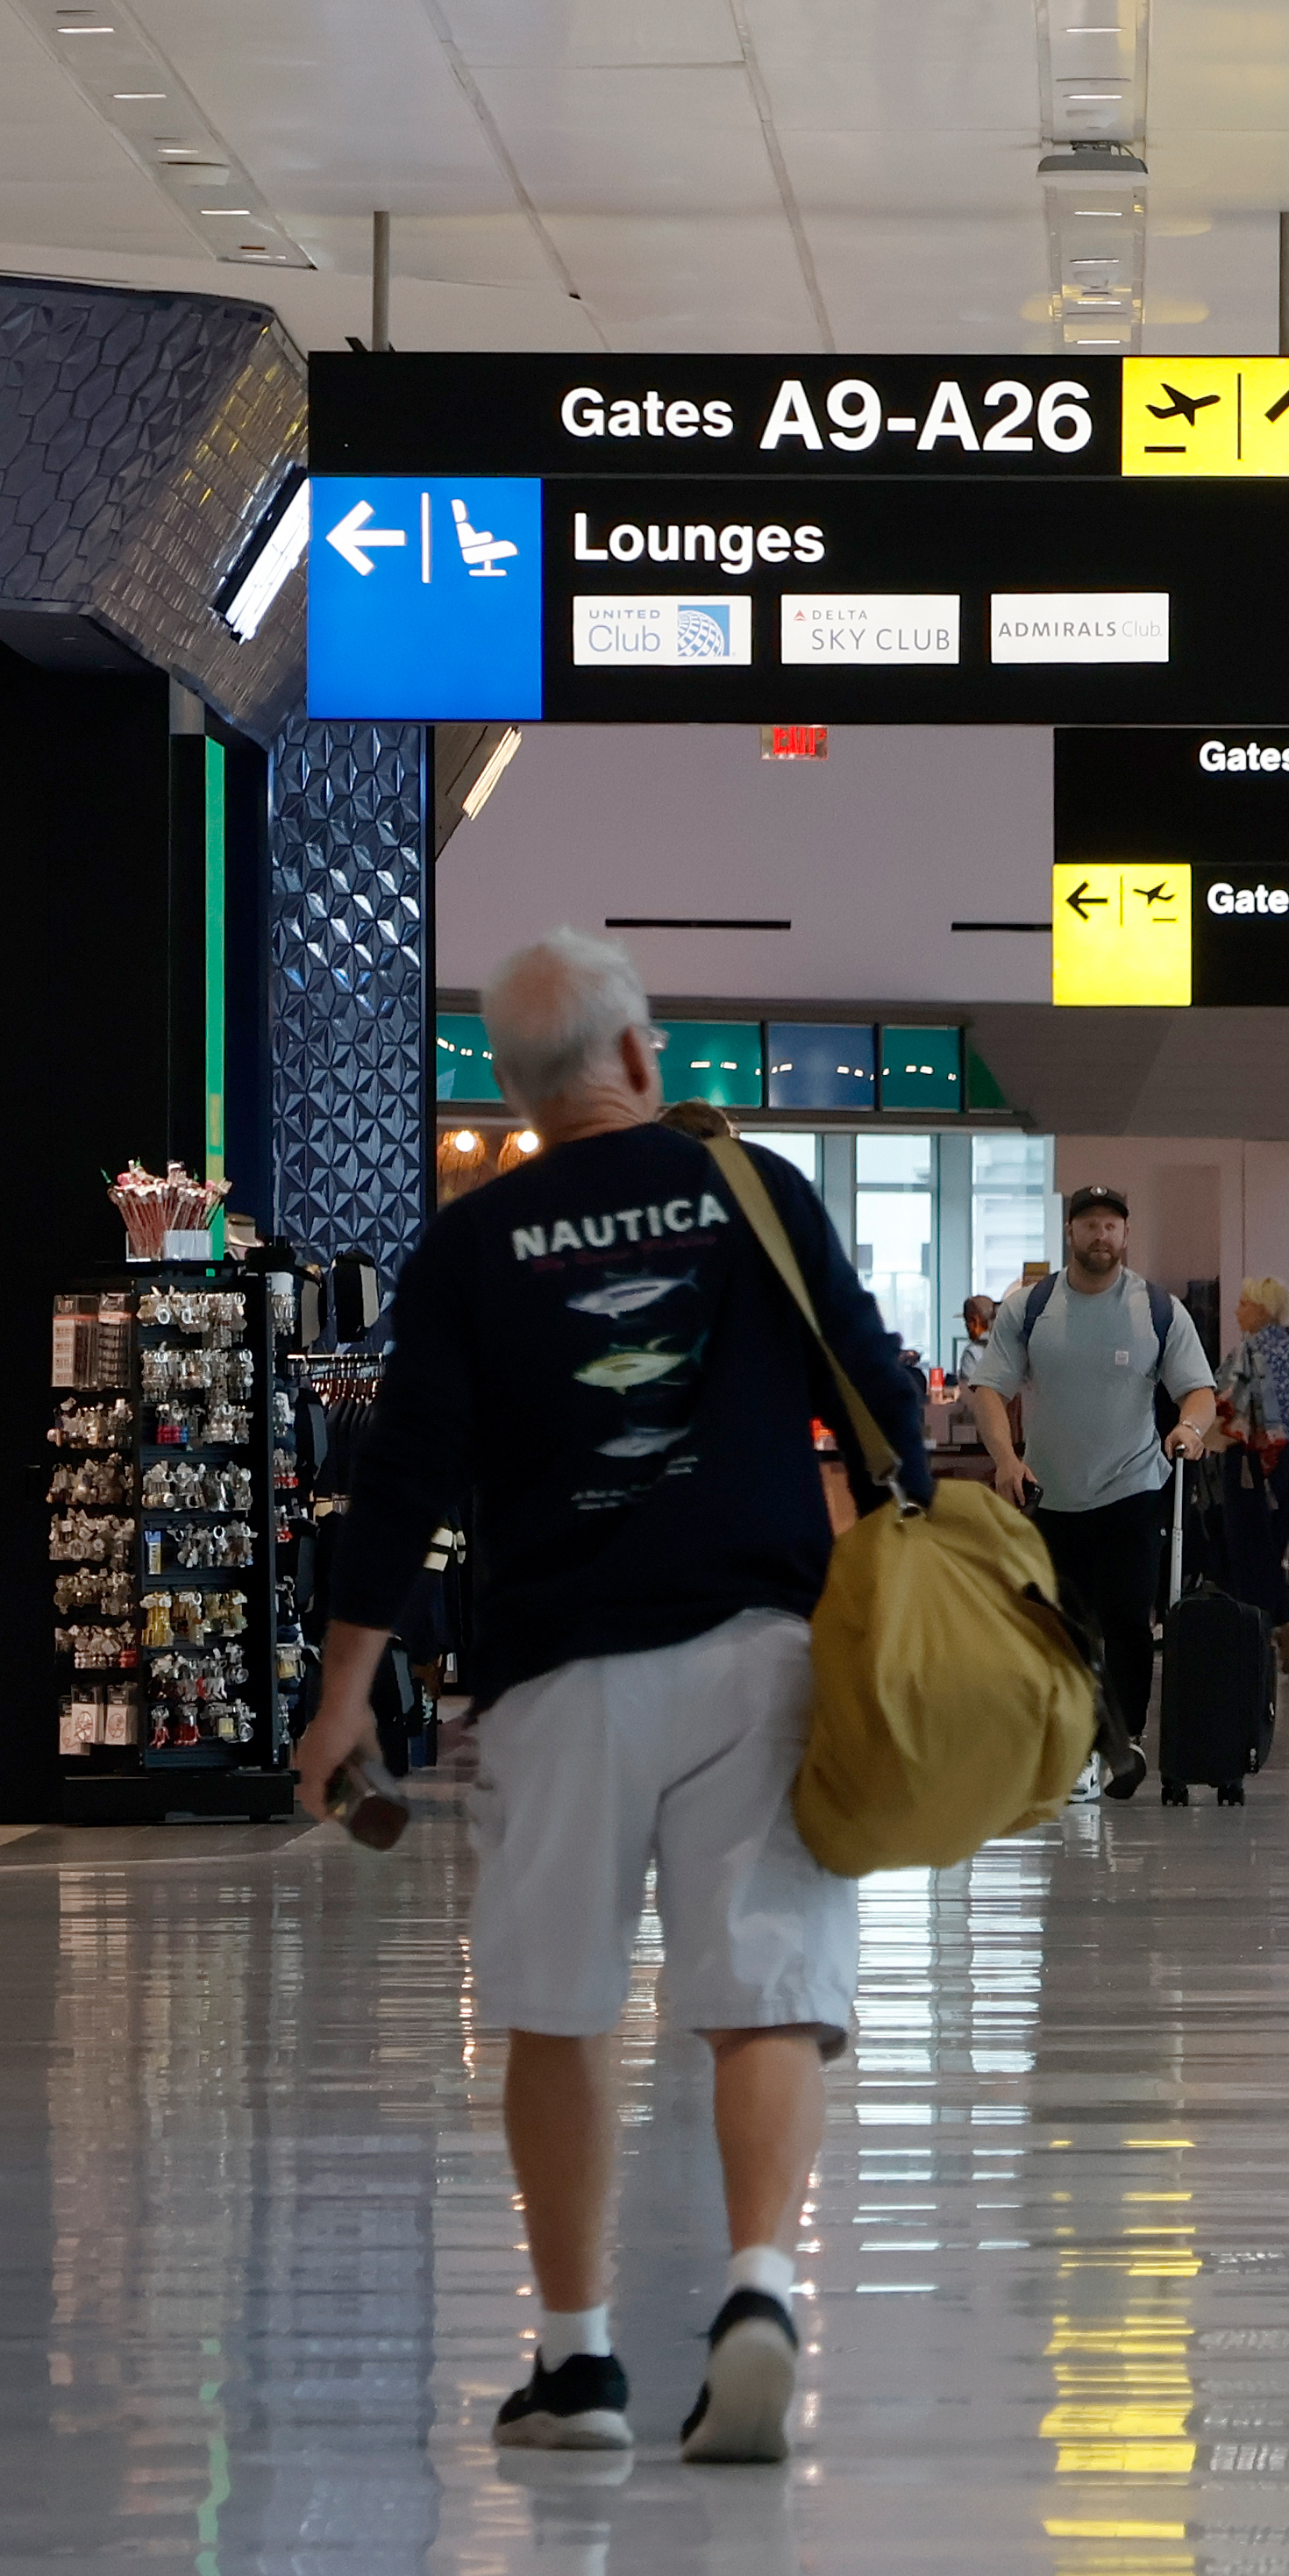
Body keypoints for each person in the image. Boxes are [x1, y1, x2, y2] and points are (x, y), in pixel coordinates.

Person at [290, 923, 934, 2466]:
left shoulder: (471, 1240)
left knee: (557, 2004)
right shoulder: (755, 1190)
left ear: (516, 1095)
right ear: (640, 1056)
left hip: (559, 1667)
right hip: (757, 1645)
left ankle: (578, 2364)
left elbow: (406, 1479)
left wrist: (344, 1696)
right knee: (767, 1982)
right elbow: (885, 1395)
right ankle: (761, 2293)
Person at [965, 1186, 1221, 1797]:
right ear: (1070, 1234)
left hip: (1133, 1489)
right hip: (1050, 1494)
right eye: (1089, 1226)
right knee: (1060, 1627)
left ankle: (1123, 1741)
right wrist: (1005, 1459)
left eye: (1111, 1226)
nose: (1100, 1236)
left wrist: (1188, 1427)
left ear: (1125, 1236)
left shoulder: (1157, 1309)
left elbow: (1200, 1390)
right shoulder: (1031, 1307)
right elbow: (988, 1389)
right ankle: (1071, 1740)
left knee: (1130, 1621)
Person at [1221, 1276, 1289, 1628]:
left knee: (1249, 1550)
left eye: (1243, 1303)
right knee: (1275, 1545)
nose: (1236, 1310)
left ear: (1262, 1309)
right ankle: (1279, 1628)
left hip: (1251, 1459)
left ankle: (1275, 1627)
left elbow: (1221, 1407)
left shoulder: (1244, 1353)